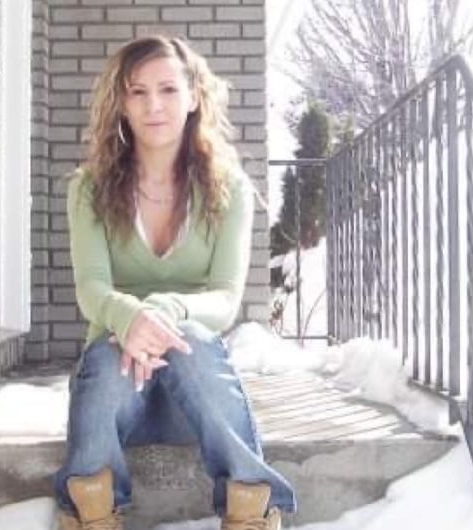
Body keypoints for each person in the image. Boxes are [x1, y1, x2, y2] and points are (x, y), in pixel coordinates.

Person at [53, 36, 296, 530]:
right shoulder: (90, 189)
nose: (154, 105)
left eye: (167, 89)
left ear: (194, 96)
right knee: (107, 349)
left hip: (198, 396)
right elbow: (92, 288)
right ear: (120, 103)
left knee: (196, 344)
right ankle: (92, 515)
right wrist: (128, 318)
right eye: (137, 92)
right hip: (116, 396)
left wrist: (164, 311)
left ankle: (249, 510)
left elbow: (226, 299)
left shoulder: (227, 189)